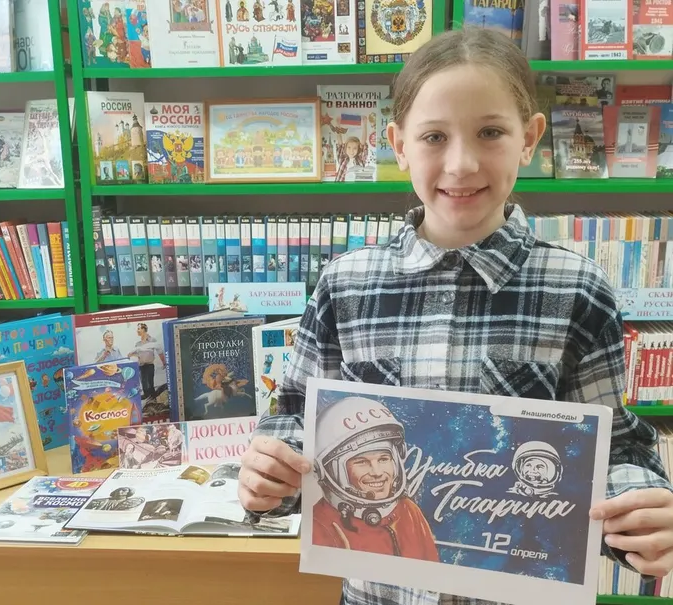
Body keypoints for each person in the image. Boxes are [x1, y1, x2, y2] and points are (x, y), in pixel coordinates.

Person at [237, 26, 673, 605]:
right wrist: (269, 474)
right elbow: (294, 421)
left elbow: (614, 448)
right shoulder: (345, 285)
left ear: (529, 139)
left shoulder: (577, 289)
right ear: (399, 145)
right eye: (434, 136)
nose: (461, 164)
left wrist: (640, 511)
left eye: (490, 132)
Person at [312, 397, 439, 561]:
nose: (377, 472)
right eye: (361, 462)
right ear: (329, 471)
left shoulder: (408, 511)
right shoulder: (319, 525)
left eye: (384, 459)